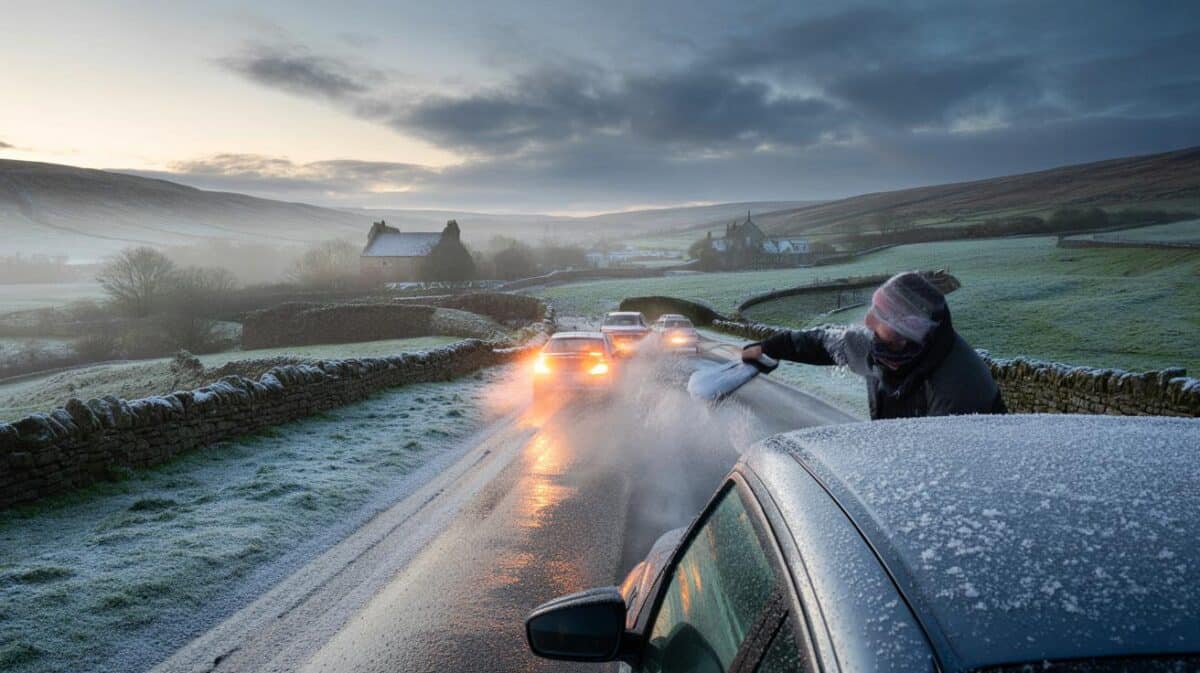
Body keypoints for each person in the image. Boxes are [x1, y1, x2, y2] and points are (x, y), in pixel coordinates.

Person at [742, 271, 1005, 419]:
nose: (868, 321)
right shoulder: (880, 346)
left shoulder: (959, 388)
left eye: (882, 315)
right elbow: (824, 342)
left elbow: (946, 472)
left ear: (908, 330)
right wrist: (768, 348)